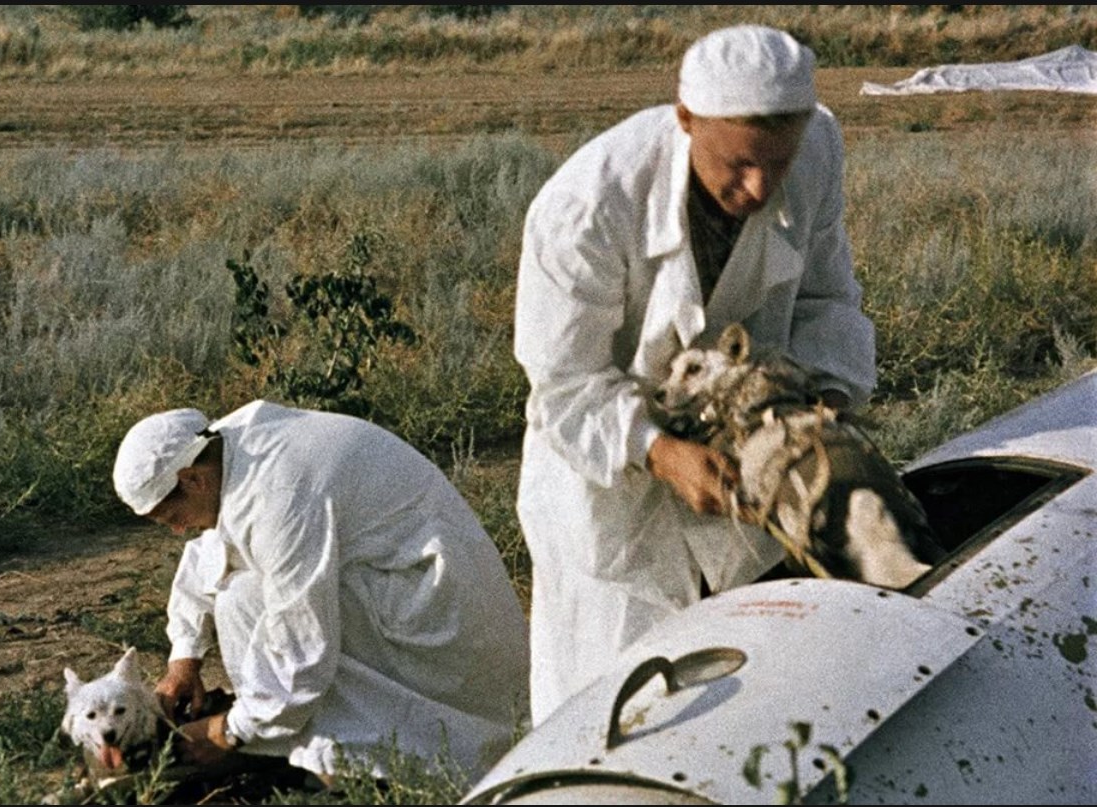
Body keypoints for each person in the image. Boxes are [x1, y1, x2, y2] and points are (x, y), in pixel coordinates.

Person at [513, 24, 877, 725]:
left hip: (747, 479)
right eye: (738, 164)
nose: (759, 186)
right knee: (610, 707)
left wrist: (819, 405)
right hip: (607, 487)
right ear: (686, 119)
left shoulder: (817, 150)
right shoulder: (587, 208)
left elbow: (827, 301)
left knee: (745, 698)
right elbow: (565, 384)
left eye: (777, 161)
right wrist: (660, 451)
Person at [111, 399, 530, 785]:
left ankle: (353, 765)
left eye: (173, 516)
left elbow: (303, 647)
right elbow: (207, 554)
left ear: (192, 479)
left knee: (253, 601)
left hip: (444, 618)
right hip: (405, 583)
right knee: (241, 592)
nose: (178, 529)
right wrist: (184, 661)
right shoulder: (228, 449)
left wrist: (230, 731)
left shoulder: (279, 494)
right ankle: (283, 741)